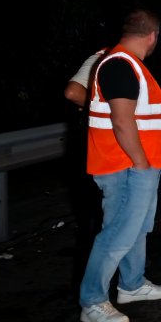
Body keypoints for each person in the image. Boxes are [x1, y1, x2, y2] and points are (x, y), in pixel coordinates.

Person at [78, 9, 161, 322]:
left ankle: (131, 285)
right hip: (126, 165)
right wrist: (141, 162)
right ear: (152, 35)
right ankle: (92, 301)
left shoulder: (125, 64)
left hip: (132, 164)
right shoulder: (119, 64)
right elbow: (121, 120)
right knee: (119, 232)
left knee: (135, 228)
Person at [63, 46, 107, 290]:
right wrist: (105, 110)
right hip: (95, 148)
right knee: (97, 219)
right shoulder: (105, 56)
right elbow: (72, 91)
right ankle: (92, 289)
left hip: (96, 149)